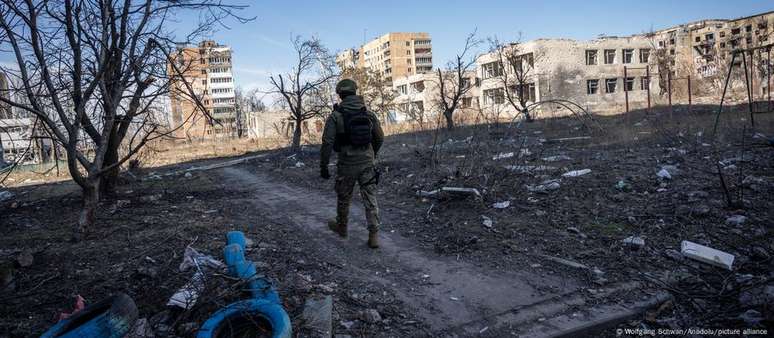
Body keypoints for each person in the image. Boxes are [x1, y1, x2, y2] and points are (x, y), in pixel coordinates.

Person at [319, 79, 384, 249]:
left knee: (344, 198)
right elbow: (380, 138)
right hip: (367, 164)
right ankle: (374, 236)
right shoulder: (368, 114)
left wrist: (323, 165)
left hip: (346, 164)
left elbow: (327, 142)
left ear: (340, 95)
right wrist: (372, 153)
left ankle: (342, 227)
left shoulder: (335, 116)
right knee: (370, 198)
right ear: (355, 92)